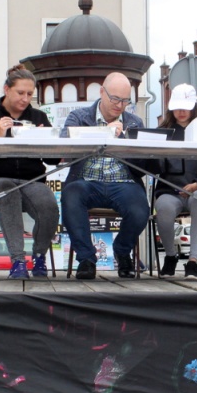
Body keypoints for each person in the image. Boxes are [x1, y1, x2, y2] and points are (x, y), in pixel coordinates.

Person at [0, 65, 60, 280]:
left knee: (48, 203)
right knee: (8, 191)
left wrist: (44, 139)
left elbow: (53, 159)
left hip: (32, 179)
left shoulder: (37, 116)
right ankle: (18, 261)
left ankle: (39, 257)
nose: (25, 99)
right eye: (20, 93)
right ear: (6, 89)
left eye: (30, 94)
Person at [60, 72, 150, 280]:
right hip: (86, 180)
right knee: (70, 195)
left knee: (139, 209)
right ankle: (86, 259)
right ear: (102, 92)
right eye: (115, 99)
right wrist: (104, 134)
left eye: (125, 100)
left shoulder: (135, 123)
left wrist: (125, 139)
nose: (119, 105)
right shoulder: (79, 117)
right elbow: (65, 145)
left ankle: (122, 250)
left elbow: (144, 163)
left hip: (124, 182)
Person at [153, 83, 197, 279]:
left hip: (196, 189)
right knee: (163, 208)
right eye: (177, 107)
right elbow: (154, 168)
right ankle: (171, 256)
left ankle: (193, 261)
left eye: (185, 107)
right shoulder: (163, 132)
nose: (181, 112)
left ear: (193, 107)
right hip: (168, 191)